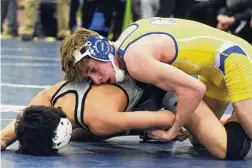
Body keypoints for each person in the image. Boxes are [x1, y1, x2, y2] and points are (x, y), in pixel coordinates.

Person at [60, 18, 252, 159]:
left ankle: (243, 113)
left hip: (233, 58)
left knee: (233, 145)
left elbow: (195, 89)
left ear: (100, 50)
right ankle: (240, 114)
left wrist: (174, 129)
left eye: (93, 70)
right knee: (198, 141)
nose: (97, 79)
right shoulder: (126, 40)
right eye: (89, 78)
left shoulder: (135, 60)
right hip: (214, 69)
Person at [0, 74, 185, 155]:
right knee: (86, 132)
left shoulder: (100, 120)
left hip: (163, 88)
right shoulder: (46, 98)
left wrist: (174, 130)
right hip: (133, 87)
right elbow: (9, 133)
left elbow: (170, 118)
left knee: (204, 142)